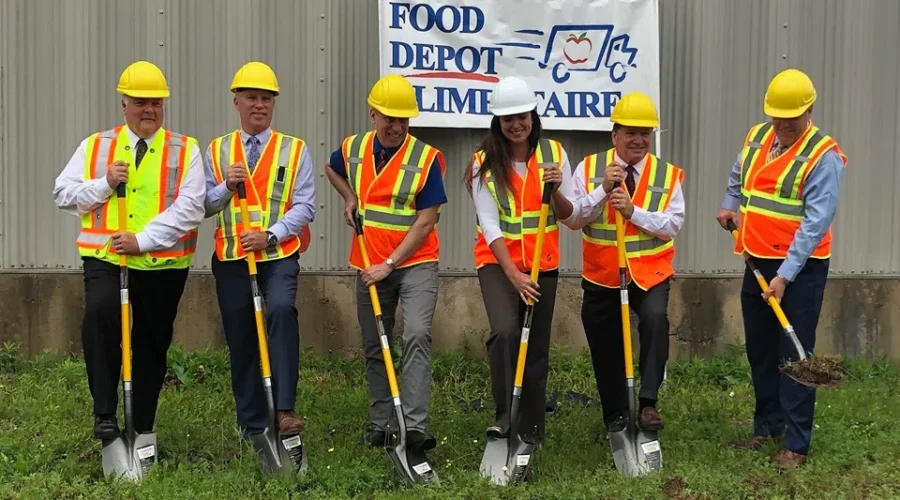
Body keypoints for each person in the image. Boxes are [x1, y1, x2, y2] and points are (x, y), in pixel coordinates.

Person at [52, 60, 206, 440]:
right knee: (100, 320)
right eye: (140, 102)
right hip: (106, 258)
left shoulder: (186, 150)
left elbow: (191, 207)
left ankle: (142, 426)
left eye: (156, 103)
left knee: (151, 342)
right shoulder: (96, 145)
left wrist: (144, 239)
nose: (149, 110)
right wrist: (104, 184)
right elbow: (62, 194)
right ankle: (105, 416)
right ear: (124, 105)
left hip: (163, 264)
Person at [716, 68, 847, 470]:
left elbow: (815, 222)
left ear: (809, 110)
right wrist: (730, 203)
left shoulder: (823, 157)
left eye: (791, 118)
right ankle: (767, 425)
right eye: (777, 117)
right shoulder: (758, 136)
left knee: (795, 353)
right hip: (756, 257)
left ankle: (796, 442)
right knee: (761, 348)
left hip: (801, 268)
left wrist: (785, 276)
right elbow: (740, 173)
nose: (783, 126)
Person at [324, 74, 447, 464]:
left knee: (415, 336)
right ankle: (382, 423)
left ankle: (414, 429)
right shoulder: (353, 148)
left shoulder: (426, 158)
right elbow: (332, 169)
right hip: (367, 262)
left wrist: (389, 264)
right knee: (375, 345)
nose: (397, 127)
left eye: (404, 120)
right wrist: (348, 197)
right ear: (372, 114)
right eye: (390, 118)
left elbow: (426, 220)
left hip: (414, 263)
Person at [559, 92, 685, 435]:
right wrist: (602, 191)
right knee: (604, 341)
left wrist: (633, 212)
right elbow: (573, 219)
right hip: (602, 274)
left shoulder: (666, 174)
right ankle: (615, 412)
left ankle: (647, 403)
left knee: (656, 320)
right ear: (614, 135)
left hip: (650, 273)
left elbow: (673, 224)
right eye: (630, 132)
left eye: (645, 133)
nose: (638, 140)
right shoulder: (589, 168)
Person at [203, 61, 316, 440]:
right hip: (232, 258)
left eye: (266, 98)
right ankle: (253, 423)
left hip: (278, 254)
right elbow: (203, 204)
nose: (259, 105)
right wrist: (224, 187)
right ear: (236, 102)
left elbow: (305, 206)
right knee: (242, 334)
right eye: (251, 97)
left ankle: (284, 410)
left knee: (282, 311)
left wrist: (270, 235)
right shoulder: (217, 151)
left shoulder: (295, 150)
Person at [466, 76, 574, 444]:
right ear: (497, 122)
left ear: (533, 115)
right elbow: (490, 225)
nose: (516, 124)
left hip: (543, 265)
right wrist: (512, 274)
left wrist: (556, 190)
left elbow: (567, 214)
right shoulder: (482, 162)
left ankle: (531, 428)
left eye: (522, 116)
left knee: (537, 346)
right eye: (507, 118)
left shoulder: (555, 154)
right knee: (506, 333)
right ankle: (504, 417)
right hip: (499, 265)